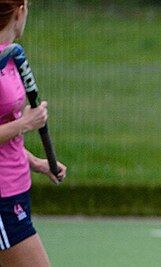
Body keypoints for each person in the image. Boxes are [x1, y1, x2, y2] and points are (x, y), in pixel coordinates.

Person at [0, 1, 68, 266]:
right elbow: (18, 125)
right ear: (19, 12)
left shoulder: (12, 55)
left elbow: (9, 138)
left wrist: (37, 164)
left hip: (16, 189)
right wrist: (25, 123)